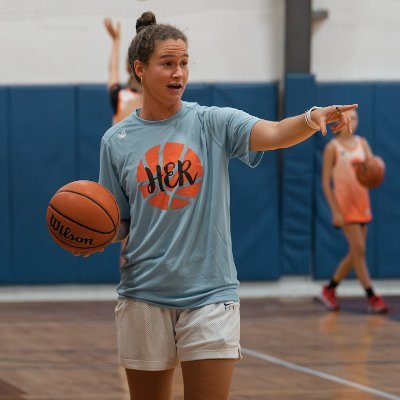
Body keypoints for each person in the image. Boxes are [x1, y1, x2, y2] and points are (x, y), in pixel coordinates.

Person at [97, 11, 357, 400]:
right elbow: (117, 222)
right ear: (140, 68)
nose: (179, 73)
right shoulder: (116, 141)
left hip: (210, 295)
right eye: (167, 63)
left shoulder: (213, 123)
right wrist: (90, 235)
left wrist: (309, 117)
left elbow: (272, 132)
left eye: (184, 63)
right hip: (143, 294)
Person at [320, 109, 388, 314]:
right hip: (344, 204)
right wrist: (335, 211)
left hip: (361, 202)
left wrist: (373, 169)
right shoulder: (332, 148)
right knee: (359, 250)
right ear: (339, 122)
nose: (353, 121)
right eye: (348, 118)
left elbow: (371, 169)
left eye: (356, 117)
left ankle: (329, 289)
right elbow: (325, 183)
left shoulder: (362, 143)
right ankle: (372, 296)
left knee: (355, 253)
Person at [104, 18, 143, 268]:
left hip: (141, 165)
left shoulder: (156, 99)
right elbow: (112, 72)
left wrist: (117, 41)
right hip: (129, 166)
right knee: (126, 230)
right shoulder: (124, 95)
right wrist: (117, 41)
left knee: (131, 233)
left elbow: (112, 72)